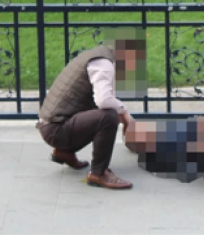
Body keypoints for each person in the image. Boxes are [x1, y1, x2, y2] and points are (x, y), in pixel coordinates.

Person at [36, 33, 137, 190]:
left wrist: (125, 116)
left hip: (53, 124)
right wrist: (125, 113)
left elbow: (102, 99)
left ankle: (64, 152)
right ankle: (99, 173)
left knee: (105, 113)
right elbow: (104, 101)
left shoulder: (98, 57)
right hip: (55, 129)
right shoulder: (104, 65)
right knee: (108, 116)